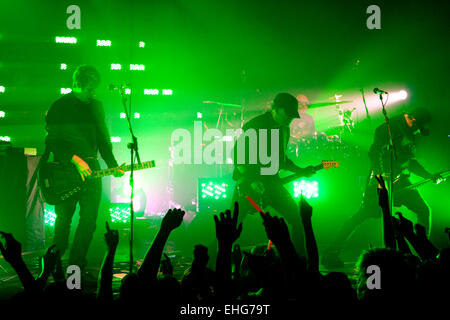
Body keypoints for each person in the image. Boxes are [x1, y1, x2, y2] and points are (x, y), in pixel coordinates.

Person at [322, 108, 441, 268]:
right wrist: (380, 179)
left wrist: (428, 175)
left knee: (423, 209)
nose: (418, 131)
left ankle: (425, 252)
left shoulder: (409, 132)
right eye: (417, 126)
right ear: (410, 118)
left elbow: (410, 162)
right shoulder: (387, 128)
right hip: (380, 181)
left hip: (401, 181)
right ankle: (331, 252)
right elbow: (374, 154)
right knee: (362, 215)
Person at [45, 65, 123, 270]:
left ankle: (76, 265)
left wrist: (113, 165)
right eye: (89, 89)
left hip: (93, 170)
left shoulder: (96, 107)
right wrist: (75, 160)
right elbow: (52, 141)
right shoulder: (59, 107)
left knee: (89, 222)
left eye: (94, 89)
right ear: (77, 85)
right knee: (63, 220)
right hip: (66, 170)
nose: (92, 93)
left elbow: (103, 141)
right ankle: (55, 265)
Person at [231, 92, 317, 255]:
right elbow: (237, 156)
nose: (290, 119)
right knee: (231, 227)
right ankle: (212, 266)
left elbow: (281, 160)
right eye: (288, 114)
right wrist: (251, 180)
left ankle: (299, 264)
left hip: (272, 183)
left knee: (298, 220)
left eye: (293, 116)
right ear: (275, 109)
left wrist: (301, 170)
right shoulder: (255, 125)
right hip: (249, 184)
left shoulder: (284, 129)